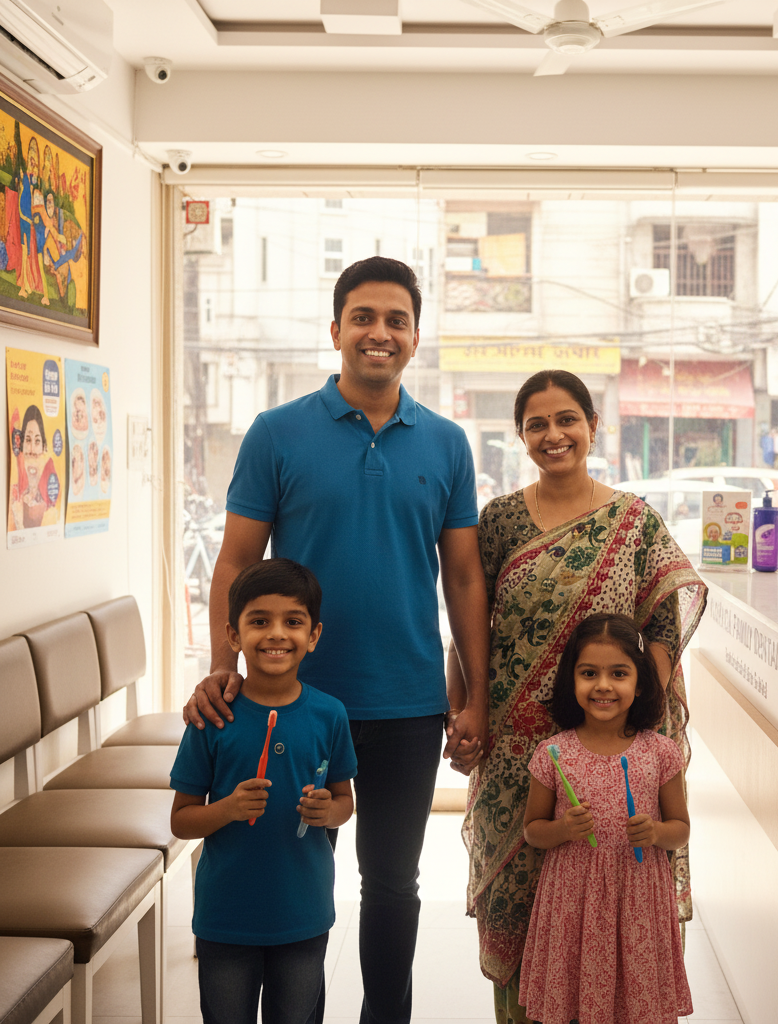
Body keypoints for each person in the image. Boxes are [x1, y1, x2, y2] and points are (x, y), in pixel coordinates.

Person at [183, 257, 491, 1024]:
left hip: (407, 702)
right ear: (336, 331)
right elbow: (234, 561)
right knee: (287, 867)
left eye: (395, 320)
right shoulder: (276, 433)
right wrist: (223, 669)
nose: (378, 333)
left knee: (392, 883)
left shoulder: (448, 444)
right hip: (290, 703)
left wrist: (477, 694)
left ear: (415, 338)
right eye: (363, 317)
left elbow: (461, 578)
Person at [449, 369, 706, 1022]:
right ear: (520, 437)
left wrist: (639, 728)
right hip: (516, 748)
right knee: (519, 898)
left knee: (608, 902)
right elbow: (468, 626)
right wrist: (467, 710)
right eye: (537, 424)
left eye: (568, 419)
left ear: (595, 425)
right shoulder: (500, 520)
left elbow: (663, 629)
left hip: (608, 749)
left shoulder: (634, 522)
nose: (554, 434)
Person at [170, 558, 357, 1024]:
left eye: (292, 622)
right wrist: (228, 809)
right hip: (225, 918)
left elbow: (345, 802)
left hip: (304, 915)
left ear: (313, 635)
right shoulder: (212, 717)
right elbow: (181, 819)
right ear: (233, 636)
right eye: (259, 622)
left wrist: (326, 812)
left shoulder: (330, 715)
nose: (276, 634)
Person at [519, 613, 693, 1024]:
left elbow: (681, 830)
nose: (603, 685)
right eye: (588, 673)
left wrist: (655, 833)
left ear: (639, 681)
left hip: (638, 897)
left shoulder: (661, 752)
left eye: (618, 673)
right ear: (571, 679)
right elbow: (533, 830)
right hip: (573, 899)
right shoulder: (551, 754)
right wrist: (562, 830)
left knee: (636, 1000)